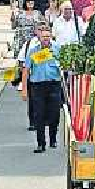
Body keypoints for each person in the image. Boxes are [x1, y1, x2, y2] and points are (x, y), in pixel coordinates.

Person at [22, 24, 62, 152]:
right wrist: (24, 89)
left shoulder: (57, 48)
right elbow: (26, 70)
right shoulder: (33, 50)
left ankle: (53, 139)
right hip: (38, 86)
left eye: (48, 37)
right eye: (43, 37)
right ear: (39, 37)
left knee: (54, 114)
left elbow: (64, 65)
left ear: (51, 37)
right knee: (39, 115)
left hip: (54, 84)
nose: (46, 39)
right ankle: (41, 143)